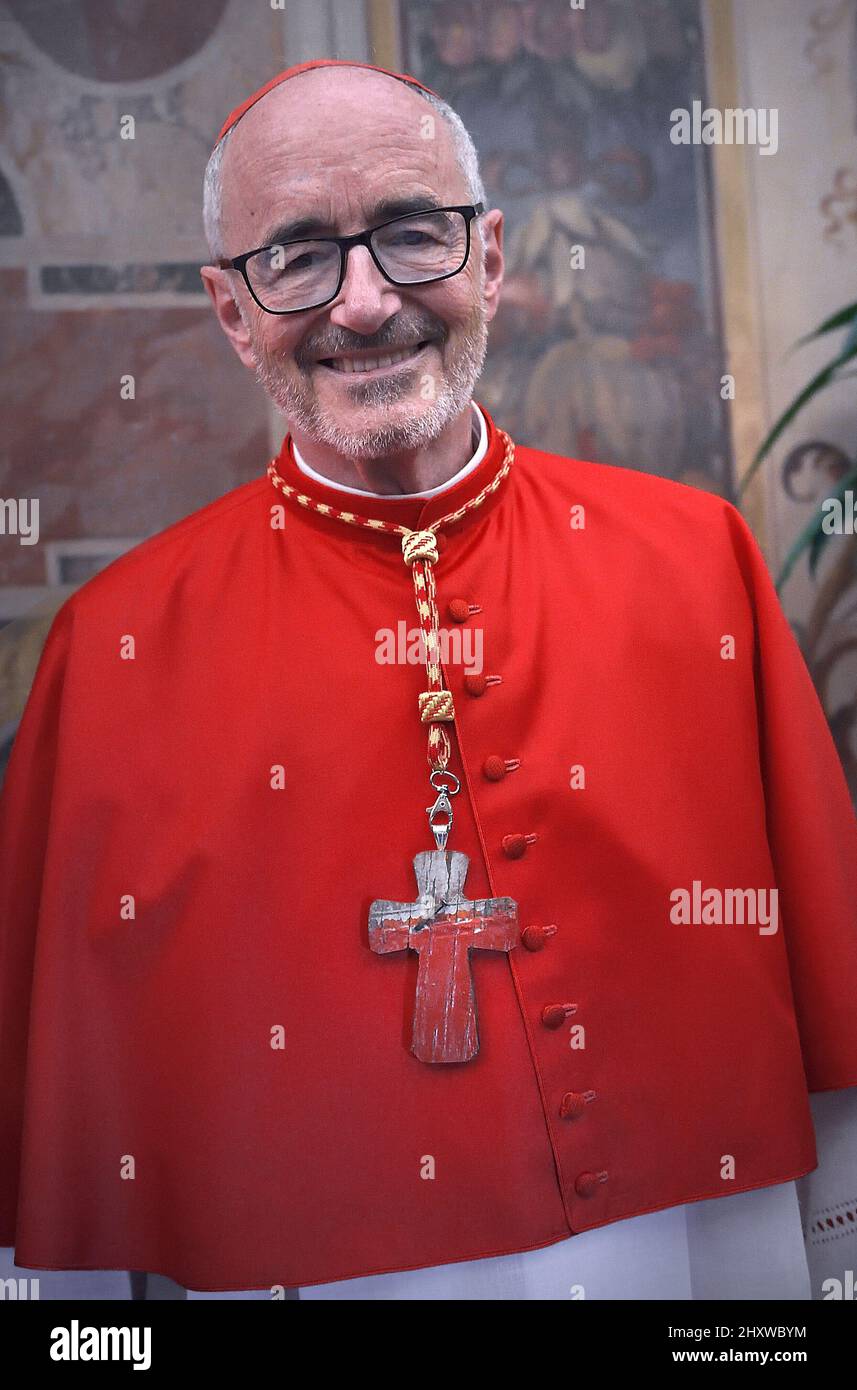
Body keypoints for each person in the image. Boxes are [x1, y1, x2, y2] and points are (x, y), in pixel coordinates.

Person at [1, 59, 855, 1301]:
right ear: (231, 312)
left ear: (491, 259)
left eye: (411, 233)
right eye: (294, 255)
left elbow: (830, 1037)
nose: (362, 304)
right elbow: (64, 1187)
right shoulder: (115, 652)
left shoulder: (694, 562)